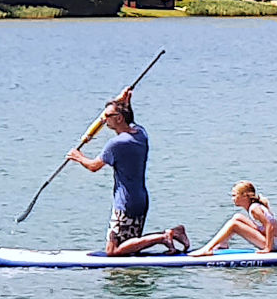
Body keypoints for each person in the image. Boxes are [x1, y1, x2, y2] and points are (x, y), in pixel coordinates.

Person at [66, 90, 188, 255]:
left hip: (125, 203)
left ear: (119, 118)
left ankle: (164, 237)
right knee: (130, 248)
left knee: (113, 251)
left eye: (107, 116)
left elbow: (94, 166)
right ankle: (175, 232)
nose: (103, 119)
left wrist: (78, 156)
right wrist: (126, 101)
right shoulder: (141, 134)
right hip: (140, 199)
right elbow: (130, 120)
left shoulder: (116, 144)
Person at [189, 181, 277, 256]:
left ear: (245, 196)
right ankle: (222, 244)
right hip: (270, 241)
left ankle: (207, 249)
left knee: (234, 225)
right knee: (237, 217)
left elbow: (269, 225)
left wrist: (268, 248)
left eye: (235, 195)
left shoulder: (254, 208)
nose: (232, 199)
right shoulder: (253, 207)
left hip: (272, 244)